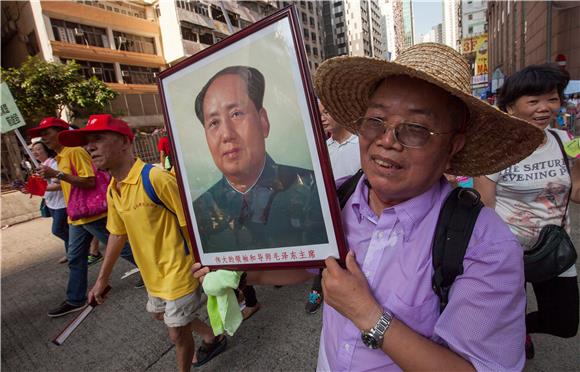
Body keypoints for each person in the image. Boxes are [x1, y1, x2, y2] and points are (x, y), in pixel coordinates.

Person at [193, 43, 545, 371]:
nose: (387, 141)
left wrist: (368, 314)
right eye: (375, 121)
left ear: (454, 145)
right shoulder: (336, 197)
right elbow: (312, 266)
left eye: (416, 128)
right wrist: (235, 272)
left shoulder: (486, 246)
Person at [57, 114, 225, 371]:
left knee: (177, 335)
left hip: (179, 272)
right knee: (161, 315)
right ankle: (211, 336)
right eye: (87, 142)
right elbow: (116, 233)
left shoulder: (156, 179)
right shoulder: (114, 188)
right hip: (152, 274)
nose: (89, 147)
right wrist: (101, 280)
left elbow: (190, 224)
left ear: (125, 142)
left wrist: (207, 266)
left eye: (97, 139)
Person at [474, 64, 579, 359]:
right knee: (507, 308)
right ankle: (508, 338)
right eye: (533, 101)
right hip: (508, 252)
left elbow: (577, 193)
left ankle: (516, 328)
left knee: (565, 323)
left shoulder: (565, 141)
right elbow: (485, 207)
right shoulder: (496, 149)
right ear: (510, 106)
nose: (544, 108)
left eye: (551, 98)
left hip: (554, 248)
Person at [192, 66, 327, 253]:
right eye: (214, 123)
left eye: (236, 114)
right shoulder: (202, 205)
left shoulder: (313, 188)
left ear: (263, 121)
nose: (226, 134)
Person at [30, 117, 140, 318]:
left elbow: (89, 182)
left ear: (60, 132)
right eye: (42, 134)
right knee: (75, 257)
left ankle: (150, 271)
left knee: (121, 247)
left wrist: (58, 174)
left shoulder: (74, 152)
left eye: (47, 132)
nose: (43, 138)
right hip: (77, 216)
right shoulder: (63, 155)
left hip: (92, 213)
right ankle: (76, 298)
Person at [305, 101, 360, 314]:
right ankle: (318, 288)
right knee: (325, 258)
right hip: (329, 215)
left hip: (354, 215)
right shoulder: (323, 148)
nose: (322, 117)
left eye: (327, 112)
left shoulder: (360, 144)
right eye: (319, 114)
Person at [30, 141, 69, 264]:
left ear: (46, 150)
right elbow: (42, 187)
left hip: (61, 203)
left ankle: (78, 248)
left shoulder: (53, 164)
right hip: (51, 203)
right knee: (65, 229)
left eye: (38, 149)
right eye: (33, 150)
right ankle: (71, 252)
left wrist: (42, 188)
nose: (35, 152)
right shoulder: (39, 166)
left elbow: (61, 185)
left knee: (57, 230)